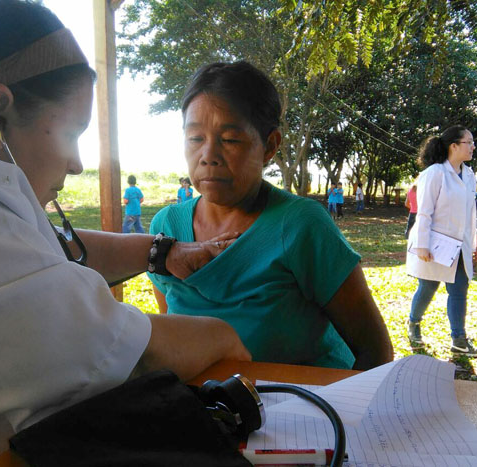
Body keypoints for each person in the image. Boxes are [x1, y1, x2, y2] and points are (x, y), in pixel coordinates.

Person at [0, 2, 251, 464]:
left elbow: (35, 249)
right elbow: (125, 360)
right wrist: (222, 337)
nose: (77, 164)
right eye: (74, 132)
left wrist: (161, 253)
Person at [148, 61, 394, 371]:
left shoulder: (301, 225)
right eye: (195, 139)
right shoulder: (166, 227)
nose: (208, 156)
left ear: (270, 146)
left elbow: (376, 351)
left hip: (304, 408)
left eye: (230, 139)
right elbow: (172, 325)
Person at [405, 125, 477, 357]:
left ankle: (459, 340)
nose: (473, 147)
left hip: (459, 245)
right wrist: (422, 245)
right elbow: (424, 212)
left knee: (460, 288)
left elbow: (470, 212)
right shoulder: (435, 173)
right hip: (434, 243)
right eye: (468, 142)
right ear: (454, 146)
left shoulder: (469, 175)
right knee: (428, 287)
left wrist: (472, 240)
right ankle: (414, 323)